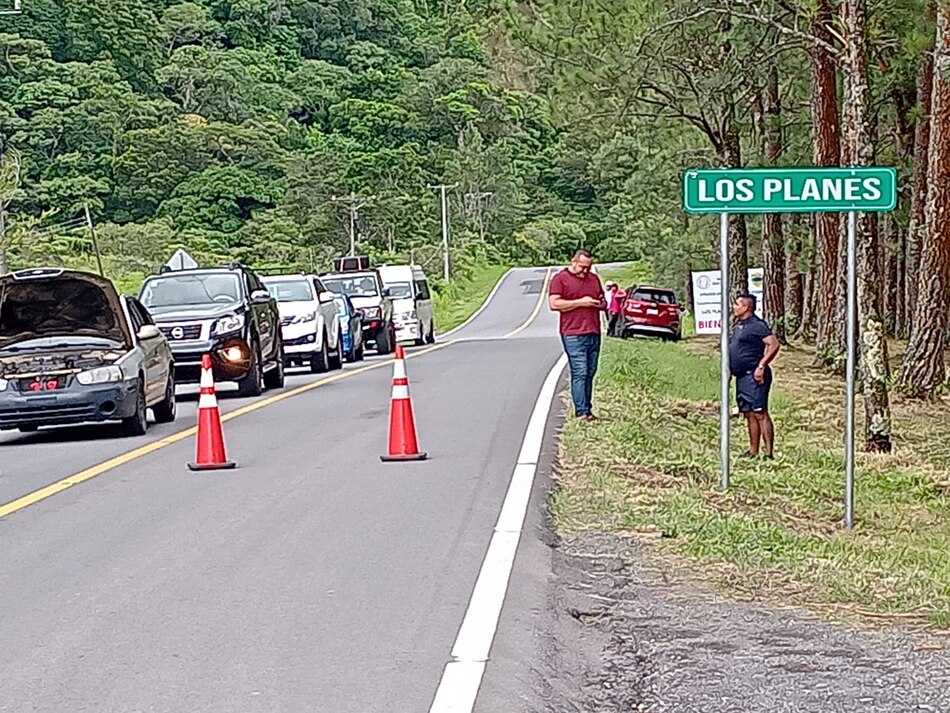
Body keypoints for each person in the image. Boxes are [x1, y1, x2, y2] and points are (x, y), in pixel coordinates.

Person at [548, 248, 606, 421]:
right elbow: (554, 303)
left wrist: (598, 303)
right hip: (573, 333)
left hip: (593, 331)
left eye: (588, 267)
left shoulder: (594, 279)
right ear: (573, 261)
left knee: (590, 371)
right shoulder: (560, 279)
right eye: (582, 267)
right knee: (580, 371)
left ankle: (588, 409)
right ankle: (581, 412)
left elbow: (603, 301)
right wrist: (581, 302)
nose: (585, 271)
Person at [728, 293, 780, 458]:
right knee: (748, 413)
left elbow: (773, 344)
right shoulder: (738, 326)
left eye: (737, 304)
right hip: (741, 376)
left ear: (745, 307)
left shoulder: (757, 325)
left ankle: (769, 453)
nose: (734, 307)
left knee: (759, 412)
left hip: (755, 375)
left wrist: (761, 366)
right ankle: (753, 450)